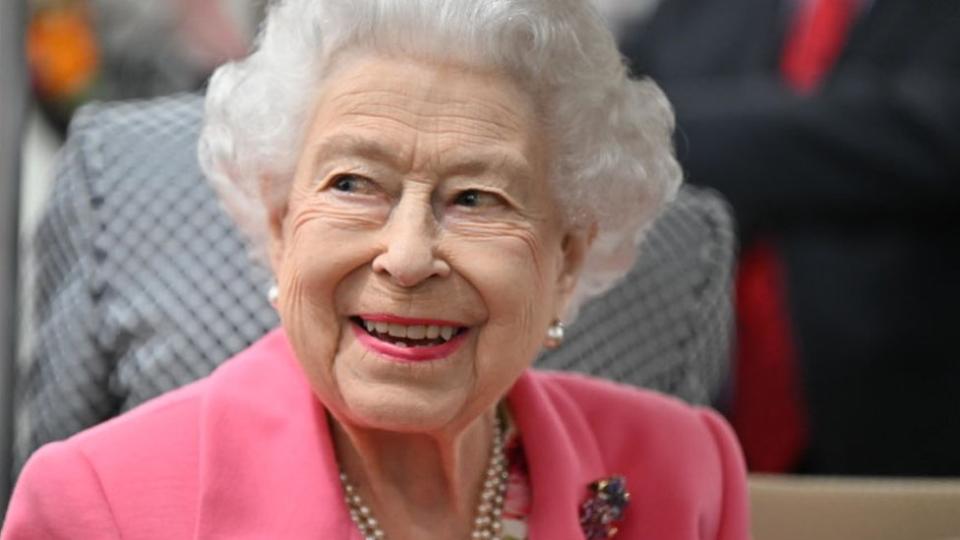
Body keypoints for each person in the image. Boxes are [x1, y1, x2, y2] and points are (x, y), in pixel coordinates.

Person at [2, 0, 749, 538]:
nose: (408, 256)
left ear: (566, 258)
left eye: (476, 198)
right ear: (280, 223)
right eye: (354, 185)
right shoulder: (94, 506)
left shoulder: (685, 473)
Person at [620, 0, 960, 474]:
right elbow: (594, 109)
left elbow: (936, 133)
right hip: (687, 427)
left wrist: (672, 132)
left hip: (907, 437)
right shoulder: (699, 12)